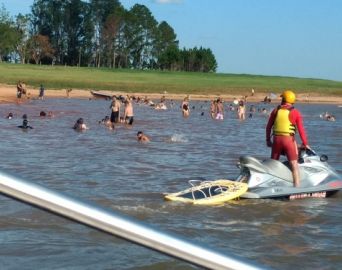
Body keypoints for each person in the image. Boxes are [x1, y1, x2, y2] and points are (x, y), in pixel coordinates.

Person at [266, 90, 310, 187]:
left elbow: (268, 127)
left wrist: (268, 140)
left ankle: (271, 186)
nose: (281, 99)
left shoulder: (275, 110)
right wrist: (305, 143)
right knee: (294, 165)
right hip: (288, 141)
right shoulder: (295, 112)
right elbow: (301, 130)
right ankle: (297, 187)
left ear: (284, 99)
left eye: (282, 98)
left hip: (277, 140)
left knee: (273, 164)